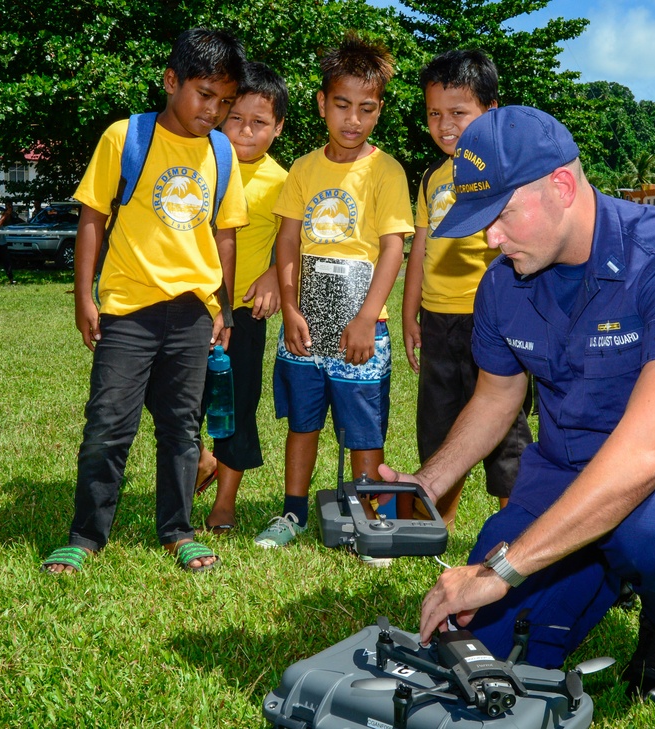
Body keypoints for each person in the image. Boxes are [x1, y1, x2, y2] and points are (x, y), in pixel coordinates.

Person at [379, 106, 655, 704]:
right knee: (481, 639)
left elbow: (650, 451)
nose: (491, 239)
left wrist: (502, 571)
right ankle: (599, 567)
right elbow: (496, 398)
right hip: (563, 469)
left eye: (503, 216)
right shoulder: (503, 283)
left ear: (562, 186)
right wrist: (427, 483)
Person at [41, 28, 248, 574]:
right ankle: (86, 535)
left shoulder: (222, 151)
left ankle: (177, 529)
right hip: (127, 307)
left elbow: (224, 234)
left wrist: (222, 309)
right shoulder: (124, 137)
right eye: (205, 94)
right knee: (109, 423)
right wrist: (84, 297)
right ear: (172, 81)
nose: (214, 109)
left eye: (225, 100)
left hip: (193, 311)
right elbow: (93, 217)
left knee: (181, 427)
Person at [255, 32, 414, 562]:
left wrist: (367, 318)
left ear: (379, 112)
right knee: (304, 422)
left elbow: (393, 247)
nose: (353, 119)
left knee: (364, 426)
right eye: (342, 105)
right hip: (304, 324)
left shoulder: (386, 170)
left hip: (361, 325)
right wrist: (292, 309)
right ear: (322, 103)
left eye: (366, 110)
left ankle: (372, 520)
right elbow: (287, 242)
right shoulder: (302, 168)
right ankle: (292, 511)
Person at [400, 50, 531, 528]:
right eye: (435, 113)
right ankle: (438, 526)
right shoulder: (431, 178)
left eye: (459, 112)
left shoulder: (506, 174)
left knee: (505, 434)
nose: (445, 124)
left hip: (492, 322)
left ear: (491, 112)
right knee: (437, 426)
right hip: (437, 321)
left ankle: (512, 525)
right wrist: (409, 313)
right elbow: (421, 249)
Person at [197, 61, 289, 535]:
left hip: (244, 312)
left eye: (259, 122)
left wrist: (275, 271)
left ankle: (226, 500)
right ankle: (199, 458)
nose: (245, 131)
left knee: (237, 405)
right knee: (176, 399)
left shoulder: (284, 181)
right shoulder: (195, 162)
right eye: (236, 119)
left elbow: (299, 242)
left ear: (278, 127)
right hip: (189, 304)